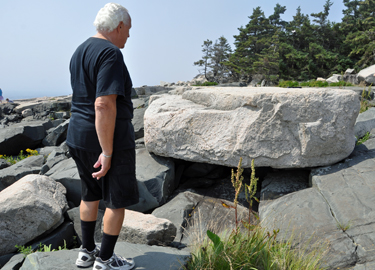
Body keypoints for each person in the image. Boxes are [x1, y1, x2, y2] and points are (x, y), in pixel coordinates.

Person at [66, 3, 138, 270]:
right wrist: (107, 152)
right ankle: (105, 260)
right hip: (107, 139)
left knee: (89, 194)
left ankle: (86, 253)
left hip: (78, 134)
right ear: (119, 26)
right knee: (115, 200)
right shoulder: (110, 53)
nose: (128, 36)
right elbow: (103, 104)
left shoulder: (80, 50)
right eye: (128, 30)